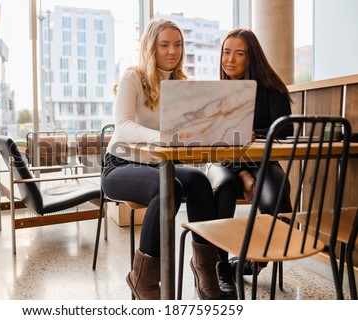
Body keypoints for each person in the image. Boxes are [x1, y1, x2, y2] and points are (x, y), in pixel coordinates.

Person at [101, 18, 221, 300]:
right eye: (164, 45)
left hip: (160, 165)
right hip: (120, 166)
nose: (172, 51)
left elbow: (188, 129)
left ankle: (205, 268)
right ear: (150, 48)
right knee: (169, 189)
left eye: (178, 45)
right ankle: (143, 279)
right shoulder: (133, 77)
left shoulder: (181, 84)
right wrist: (164, 136)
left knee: (200, 182)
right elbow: (124, 126)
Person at [206, 28, 293, 297]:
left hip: (261, 160)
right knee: (224, 188)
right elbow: (214, 141)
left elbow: (285, 130)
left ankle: (256, 260)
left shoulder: (271, 88)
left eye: (239, 53)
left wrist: (256, 133)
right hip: (223, 161)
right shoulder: (216, 92)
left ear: (251, 57)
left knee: (278, 198)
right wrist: (243, 174)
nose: (229, 59)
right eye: (226, 52)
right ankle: (220, 265)